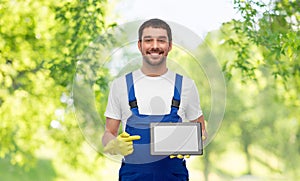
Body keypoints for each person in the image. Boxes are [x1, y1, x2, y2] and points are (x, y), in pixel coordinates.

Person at [102, 18, 207, 181]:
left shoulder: (186, 85)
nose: (155, 46)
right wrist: (113, 144)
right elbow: (108, 133)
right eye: (148, 40)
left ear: (170, 46)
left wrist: (193, 141)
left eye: (161, 40)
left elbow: (201, 130)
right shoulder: (120, 85)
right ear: (140, 45)